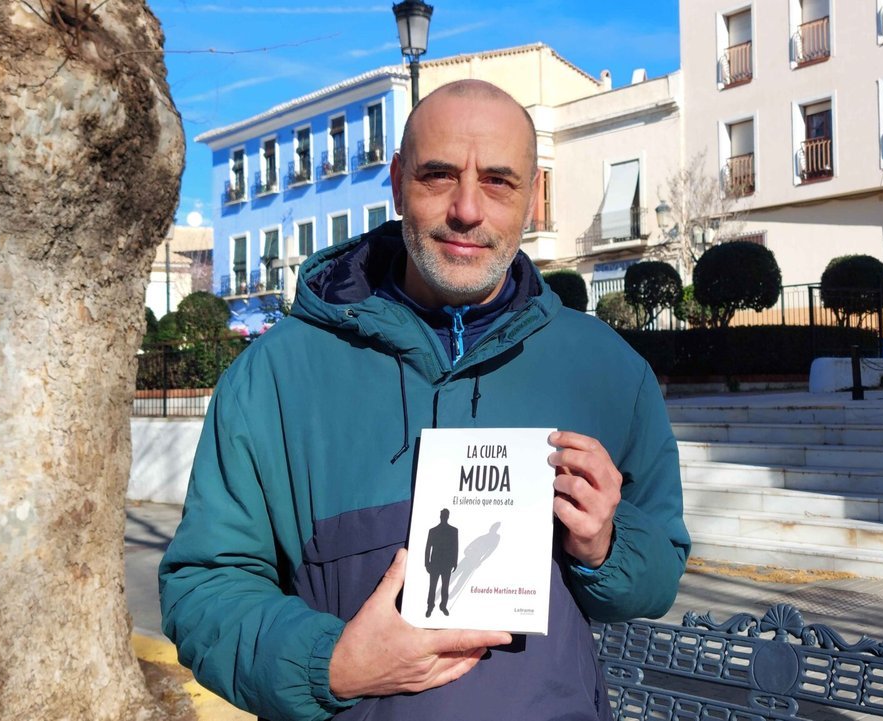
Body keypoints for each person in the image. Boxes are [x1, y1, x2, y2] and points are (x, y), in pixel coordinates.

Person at [158, 79, 690, 721]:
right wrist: (329, 664)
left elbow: (657, 579)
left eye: (498, 181)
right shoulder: (274, 375)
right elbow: (203, 589)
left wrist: (605, 543)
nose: (467, 209)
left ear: (532, 198)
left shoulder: (609, 370)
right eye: (438, 176)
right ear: (396, 182)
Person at [422, 509, 458, 617]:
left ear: (447, 516)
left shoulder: (453, 531)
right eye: (443, 515)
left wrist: (454, 562)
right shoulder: (433, 531)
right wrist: (427, 563)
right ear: (440, 516)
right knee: (432, 586)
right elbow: (428, 548)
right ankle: (430, 606)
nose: (444, 517)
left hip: (447, 563)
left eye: (445, 515)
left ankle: (443, 606)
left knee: (445, 586)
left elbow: (455, 547)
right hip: (435, 563)